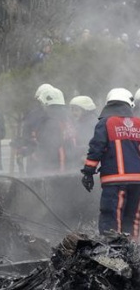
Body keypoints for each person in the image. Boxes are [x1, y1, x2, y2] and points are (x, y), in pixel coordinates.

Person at [80, 88, 140, 239]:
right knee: (132, 219)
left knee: (112, 218)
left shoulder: (106, 123)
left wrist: (88, 172)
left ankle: (111, 255)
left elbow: (96, 148)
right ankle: (131, 254)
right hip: (138, 182)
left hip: (115, 182)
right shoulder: (138, 124)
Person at [33, 87, 76, 174]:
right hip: (68, 165)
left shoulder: (49, 122)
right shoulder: (66, 119)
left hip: (53, 167)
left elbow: (48, 146)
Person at [69, 95, 98, 168]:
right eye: (72, 110)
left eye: (76, 110)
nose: (73, 113)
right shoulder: (81, 123)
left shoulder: (91, 124)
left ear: (86, 111)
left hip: (88, 163)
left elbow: (94, 143)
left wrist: (85, 155)